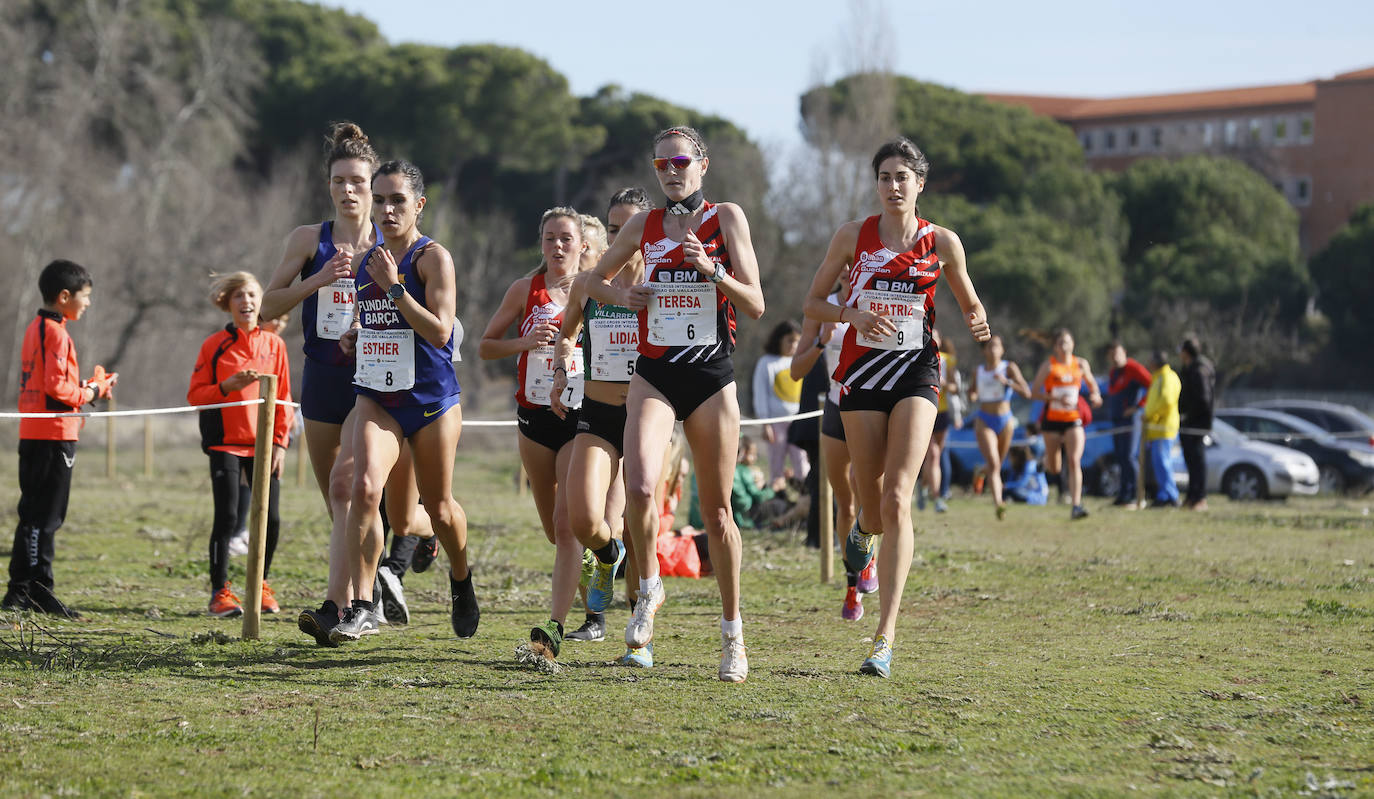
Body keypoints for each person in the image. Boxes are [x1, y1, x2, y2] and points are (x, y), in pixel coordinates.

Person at [804, 137, 991, 678]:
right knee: (872, 504)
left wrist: (978, 320)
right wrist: (852, 317)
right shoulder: (853, 237)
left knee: (897, 495)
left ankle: (884, 636)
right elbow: (812, 304)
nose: (892, 186)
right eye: (884, 177)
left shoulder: (943, 242)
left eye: (902, 177)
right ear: (876, 184)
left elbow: (969, 300)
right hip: (862, 374)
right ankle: (861, 530)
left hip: (917, 371)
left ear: (919, 184)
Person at [586, 126, 766, 682]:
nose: (670, 170)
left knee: (716, 514)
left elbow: (757, 303)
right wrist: (621, 294)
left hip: (710, 375)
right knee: (640, 486)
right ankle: (647, 589)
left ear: (702, 165)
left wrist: (714, 272)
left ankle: (733, 634)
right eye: (661, 163)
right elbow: (593, 280)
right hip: (657, 370)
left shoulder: (726, 218)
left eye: (681, 161)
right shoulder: (645, 225)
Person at [259, 124, 433, 642]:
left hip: (374, 383)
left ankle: (347, 603)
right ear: (329, 186)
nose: (350, 191)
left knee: (351, 487)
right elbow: (268, 306)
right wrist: (319, 279)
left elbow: (428, 316)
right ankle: (367, 598)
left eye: (360, 181)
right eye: (341, 181)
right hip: (321, 379)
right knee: (341, 503)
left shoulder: (392, 243)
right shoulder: (308, 239)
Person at [328, 160, 478, 643]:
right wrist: (356, 336)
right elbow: (374, 323)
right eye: (382, 199)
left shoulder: (432, 258)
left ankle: (460, 575)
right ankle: (363, 603)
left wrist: (395, 287)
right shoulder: (366, 261)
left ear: (419, 204)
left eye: (398, 200)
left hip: (432, 401)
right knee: (364, 490)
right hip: (378, 395)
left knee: (437, 507)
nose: (388, 209)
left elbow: (438, 332)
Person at [479, 206, 591, 658]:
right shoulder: (525, 289)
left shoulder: (595, 290)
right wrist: (526, 343)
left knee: (566, 526)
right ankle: (583, 556)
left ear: (582, 245)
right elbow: (486, 347)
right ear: (541, 244)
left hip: (577, 418)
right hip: (532, 418)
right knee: (552, 528)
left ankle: (553, 631)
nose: (558, 246)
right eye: (550, 238)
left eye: (566, 238)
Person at [546, 194, 653, 663]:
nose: (620, 237)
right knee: (584, 520)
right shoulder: (589, 284)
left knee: (639, 527)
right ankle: (607, 557)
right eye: (613, 228)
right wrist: (563, 361)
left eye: (630, 227)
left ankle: (641, 637)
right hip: (598, 412)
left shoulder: (660, 283)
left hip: (650, 413)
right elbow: (567, 334)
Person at [3, 260, 115, 618]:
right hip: (50, 435)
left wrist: (86, 389)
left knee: (38, 515)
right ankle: (31, 591)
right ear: (64, 296)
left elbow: (53, 385)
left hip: (45, 432)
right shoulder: (53, 332)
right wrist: (93, 389)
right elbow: (55, 388)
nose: (88, 303)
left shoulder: (42, 327)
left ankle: (27, 590)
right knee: (43, 517)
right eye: (85, 296)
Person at [187, 272, 293, 617]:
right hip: (225, 445)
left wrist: (280, 443)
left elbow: (285, 399)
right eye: (238, 296)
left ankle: (259, 585)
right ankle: (220, 593)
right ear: (227, 304)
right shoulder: (213, 345)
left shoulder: (275, 344)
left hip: (264, 446)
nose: (246, 302)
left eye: (252, 295)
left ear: (262, 301)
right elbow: (195, 396)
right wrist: (227, 386)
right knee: (228, 517)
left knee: (272, 519)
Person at [790, 285, 874, 620]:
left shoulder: (880, 298)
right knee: (845, 501)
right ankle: (852, 583)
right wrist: (822, 342)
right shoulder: (821, 307)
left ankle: (870, 557)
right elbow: (796, 370)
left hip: (872, 406)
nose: (845, 268)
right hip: (836, 404)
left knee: (865, 488)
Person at [1031, 329, 1102, 520]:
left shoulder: (1080, 364)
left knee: (1073, 460)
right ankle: (1045, 463)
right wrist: (1053, 397)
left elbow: (1093, 386)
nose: (1064, 346)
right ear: (1055, 347)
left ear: (1073, 344)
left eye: (1067, 342)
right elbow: (1035, 392)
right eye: (1060, 343)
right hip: (1052, 420)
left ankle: (1076, 505)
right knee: (1055, 468)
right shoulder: (1049, 366)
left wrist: (1095, 395)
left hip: (1073, 419)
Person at [968, 334, 1031, 519]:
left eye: (997, 346)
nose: (993, 349)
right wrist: (972, 395)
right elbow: (972, 392)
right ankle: (999, 504)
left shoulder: (1009, 368)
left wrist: (1008, 382)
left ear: (1002, 350)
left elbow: (1026, 392)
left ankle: (981, 471)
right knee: (995, 464)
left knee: (997, 464)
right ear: (984, 351)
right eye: (989, 346)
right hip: (984, 420)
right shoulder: (978, 371)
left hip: (1005, 420)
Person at [752, 320, 807, 483]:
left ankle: (804, 495)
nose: (794, 345)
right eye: (790, 340)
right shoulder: (766, 362)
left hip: (798, 422)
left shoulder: (801, 361)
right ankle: (778, 498)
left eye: (797, 341)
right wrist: (766, 423)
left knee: (801, 461)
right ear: (779, 340)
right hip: (776, 423)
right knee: (776, 463)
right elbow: (760, 394)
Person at [1105, 341, 1152, 507]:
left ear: (1124, 352)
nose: (1115, 357)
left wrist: (1138, 407)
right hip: (1117, 420)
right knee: (1120, 457)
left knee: (1130, 456)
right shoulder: (1113, 373)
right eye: (1111, 354)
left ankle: (1136, 495)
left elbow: (1152, 385)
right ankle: (1123, 494)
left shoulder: (1134, 369)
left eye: (1117, 353)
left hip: (1130, 421)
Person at [920, 329, 959, 513]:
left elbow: (955, 388)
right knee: (934, 455)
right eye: (930, 336)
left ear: (940, 340)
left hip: (942, 412)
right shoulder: (918, 354)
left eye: (936, 336)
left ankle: (923, 486)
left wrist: (944, 383)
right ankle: (937, 499)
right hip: (925, 410)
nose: (933, 339)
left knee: (934, 458)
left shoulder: (947, 360)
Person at [1178, 337, 1215, 511]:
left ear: (1186, 352)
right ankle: (1192, 497)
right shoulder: (1190, 368)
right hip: (1189, 422)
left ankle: (1200, 497)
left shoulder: (1199, 370)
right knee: (1190, 461)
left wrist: (1187, 416)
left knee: (1197, 461)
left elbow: (1203, 399)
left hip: (1196, 424)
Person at [1142, 349, 1181, 508]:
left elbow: (1166, 400)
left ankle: (1170, 496)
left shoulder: (1167, 377)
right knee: (1159, 463)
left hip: (1163, 428)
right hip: (1156, 428)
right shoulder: (1158, 378)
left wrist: (1150, 415)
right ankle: (1164, 494)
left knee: (1163, 463)